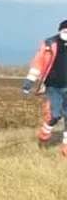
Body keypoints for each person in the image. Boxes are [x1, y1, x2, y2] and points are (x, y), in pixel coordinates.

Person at [23, 19, 67, 154]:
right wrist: (29, 82)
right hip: (53, 86)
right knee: (55, 115)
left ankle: (65, 148)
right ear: (60, 31)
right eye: (65, 30)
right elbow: (38, 63)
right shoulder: (49, 44)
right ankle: (44, 134)